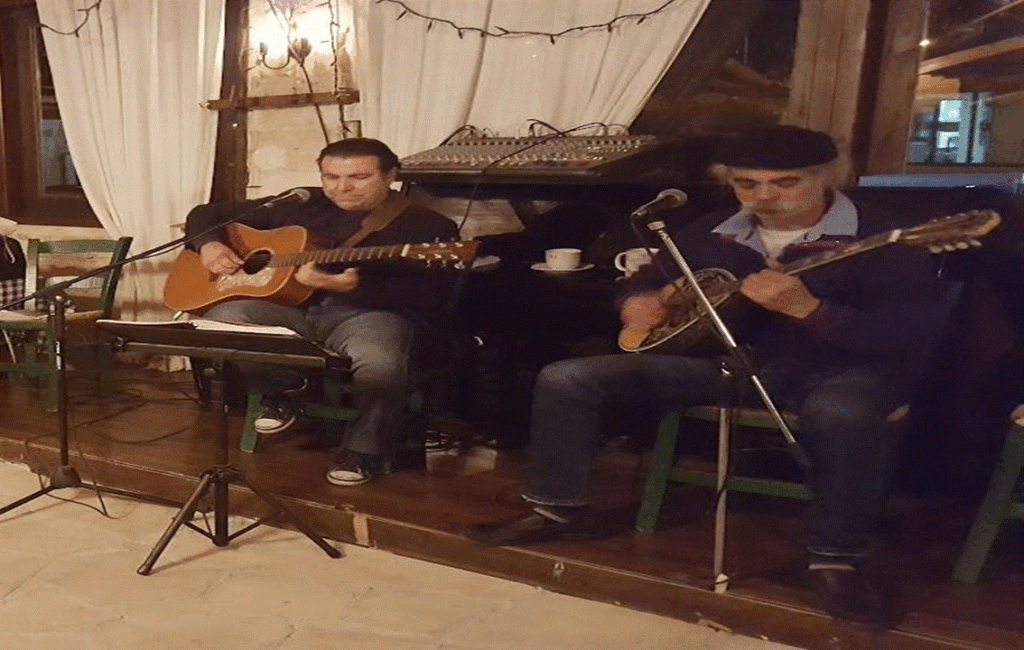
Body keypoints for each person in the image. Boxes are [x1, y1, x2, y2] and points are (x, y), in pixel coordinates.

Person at [465, 126, 944, 627]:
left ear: (828, 176)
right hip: (726, 364)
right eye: (747, 184)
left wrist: (811, 310)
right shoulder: (715, 229)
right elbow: (652, 280)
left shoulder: (885, 238)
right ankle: (557, 509)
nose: (764, 196)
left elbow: (904, 336)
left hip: (838, 370)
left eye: (785, 183)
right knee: (569, 378)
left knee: (843, 410)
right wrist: (637, 302)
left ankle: (835, 558)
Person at [184, 138, 459, 486]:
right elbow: (206, 214)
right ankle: (284, 390)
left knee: (381, 364)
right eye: (331, 177)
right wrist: (208, 244)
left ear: (391, 175)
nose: (341, 187)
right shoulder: (302, 204)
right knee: (222, 320)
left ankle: (364, 450)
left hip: (367, 315)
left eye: (359, 177)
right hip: (291, 309)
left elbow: (430, 296)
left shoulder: (429, 227)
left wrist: (347, 286)